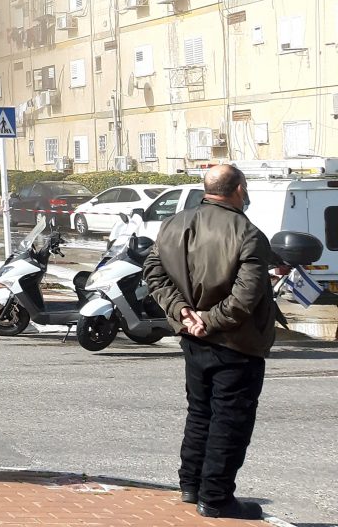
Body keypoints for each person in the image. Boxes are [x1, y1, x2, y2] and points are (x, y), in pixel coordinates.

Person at [143, 164, 278, 520]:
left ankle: (191, 484)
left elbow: (154, 274)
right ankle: (216, 497)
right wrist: (204, 319)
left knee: (201, 412)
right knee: (229, 420)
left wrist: (184, 314)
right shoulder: (248, 233)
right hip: (235, 342)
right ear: (239, 189)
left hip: (194, 337)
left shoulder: (173, 224)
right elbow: (245, 296)